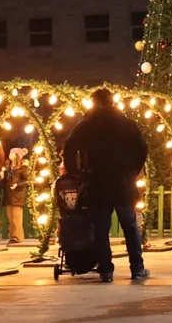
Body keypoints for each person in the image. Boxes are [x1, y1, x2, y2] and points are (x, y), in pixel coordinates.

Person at [63, 87, 150, 282]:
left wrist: (75, 172)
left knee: (101, 230)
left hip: (97, 182)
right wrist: (132, 171)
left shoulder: (86, 124)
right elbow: (142, 149)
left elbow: (69, 146)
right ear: (112, 102)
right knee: (130, 226)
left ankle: (106, 270)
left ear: (94, 103)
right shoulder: (127, 124)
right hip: (123, 182)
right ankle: (137, 267)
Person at [4, 148, 30, 244]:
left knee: (16, 217)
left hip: (17, 195)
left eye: (12, 153)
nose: (10, 154)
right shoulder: (9, 168)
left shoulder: (22, 168)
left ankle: (18, 236)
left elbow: (27, 180)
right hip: (9, 195)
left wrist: (17, 185)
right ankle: (12, 236)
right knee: (10, 217)